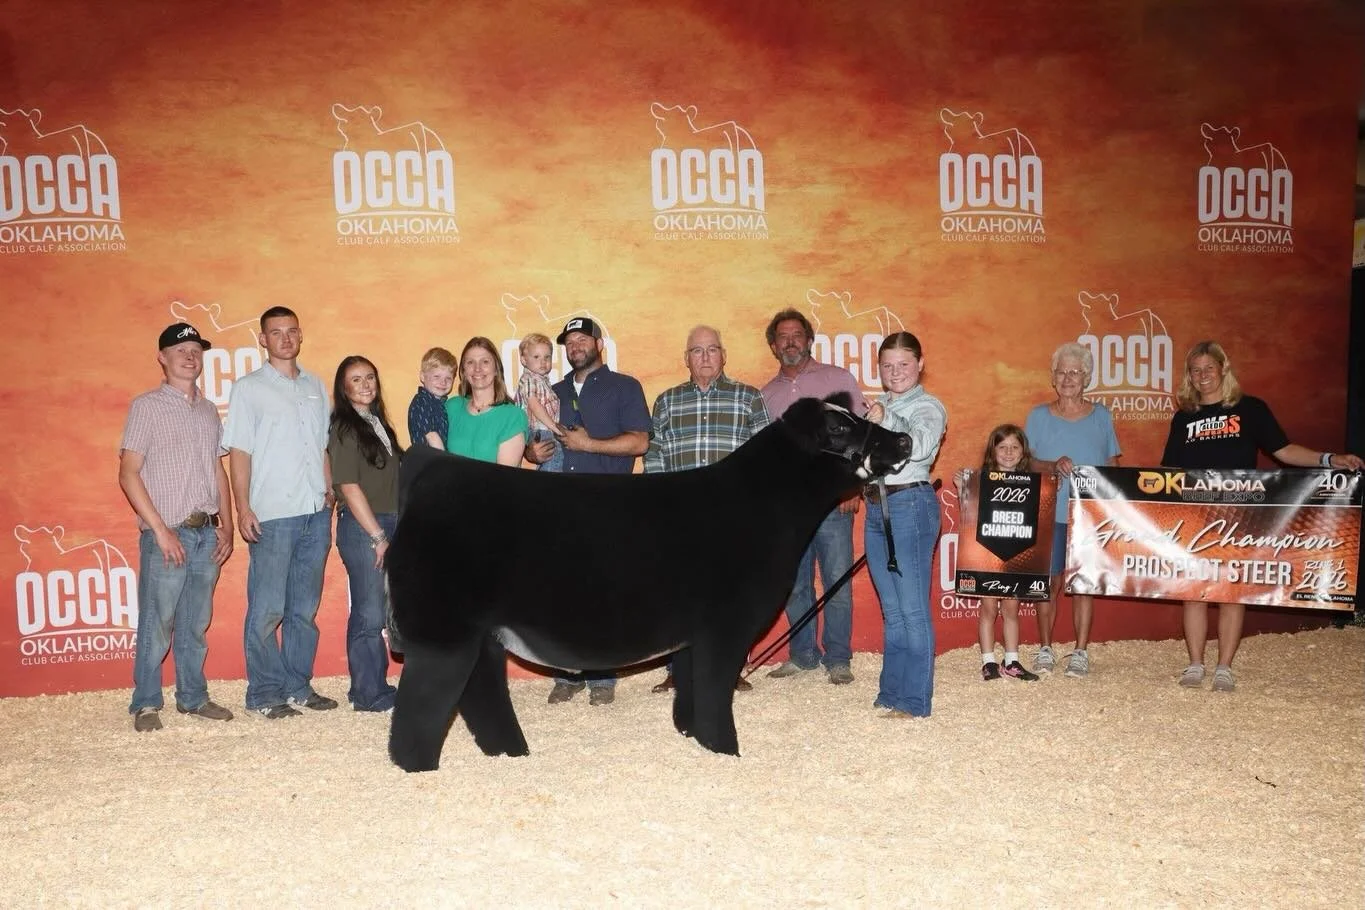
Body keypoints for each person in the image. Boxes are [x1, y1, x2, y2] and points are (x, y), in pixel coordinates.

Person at [1162, 340, 1363, 692]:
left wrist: (1330, 459)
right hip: (1196, 515)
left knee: (1232, 589)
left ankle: (1224, 667)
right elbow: (1170, 470)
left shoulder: (1251, 409)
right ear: (1188, 377)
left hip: (1242, 514)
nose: (1203, 375)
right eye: (1195, 370)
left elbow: (1284, 451)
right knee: (1192, 590)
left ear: (1224, 369)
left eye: (1209, 368)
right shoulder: (1184, 418)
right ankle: (1194, 663)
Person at [118, 322, 236, 732]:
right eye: (180, 349)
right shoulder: (146, 406)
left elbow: (217, 471)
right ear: (162, 357)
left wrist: (228, 524)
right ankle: (146, 702)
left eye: (195, 349)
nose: (189, 355)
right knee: (157, 621)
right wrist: (160, 531)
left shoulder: (207, 410)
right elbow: (129, 473)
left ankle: (192, 697)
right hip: (166, 530)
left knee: (194, 621)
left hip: (206, 531)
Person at [526, 316, 650, 705]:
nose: (575, 345)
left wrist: (589, 445)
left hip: (608, 505)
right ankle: (566, 673)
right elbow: (533, 434)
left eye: (583, 338)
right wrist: (531, 452)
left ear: (600, 344)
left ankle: (600, 675)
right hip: (560, 506)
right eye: (570, 341)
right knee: (559, 593)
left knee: (602, 593)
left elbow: (639, 443)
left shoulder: (625, 386)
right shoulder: (552, 388)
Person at [222, 306, 337, 719]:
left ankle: (298, 686)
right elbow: (239, 451)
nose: (285, 338)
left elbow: (322, 445)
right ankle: (264, 693)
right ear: (262, 340)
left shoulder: (316, 385)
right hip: (272, 512)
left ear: (300, 335)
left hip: (314, 510)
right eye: (275, 332)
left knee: (303, 609)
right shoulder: (248, 389)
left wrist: (328, 492)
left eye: (291, 331)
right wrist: (242, 507)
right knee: (268, 607)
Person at [644, 325, 771, 694]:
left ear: (723, 355)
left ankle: (730, 669)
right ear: (686, 358)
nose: (704, 357)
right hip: (680, 516)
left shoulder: (749, 398)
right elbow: (655, 453)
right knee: (677, 594)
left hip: (732, 515)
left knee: (732, 595)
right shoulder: (666, 401)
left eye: (711, 349)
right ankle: (678, 669)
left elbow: (765, 457)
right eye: (696, 351)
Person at [760, 308, 865, 685]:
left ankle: (839, 658)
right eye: (783, 337)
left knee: (837, 581)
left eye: (797, 335)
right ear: (774, 346)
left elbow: (859, 438)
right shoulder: (765, 395)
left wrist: (853, 487)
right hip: (788, 509)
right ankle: (803, 655)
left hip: (833, 503)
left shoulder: (838, 379)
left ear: (809, 340)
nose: (791, 342)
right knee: (794, 584)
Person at [1025, 342, 1121, 678]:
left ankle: (1080, 651)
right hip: (1048, 513)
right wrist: (1052, 465)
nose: (1068, 378)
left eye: (1075, 372)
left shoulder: (1102, 417)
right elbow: (1027, 461)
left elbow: (1112, 465)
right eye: (1062, 372)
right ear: (1053, 378)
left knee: (1084, 584)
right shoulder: (1038, 416)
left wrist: (1112, 509)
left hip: (1089, 517)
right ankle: (1046, 648)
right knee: (1048, 583)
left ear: (1086, 378)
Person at [864, 332, 947, 718]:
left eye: (903, 364)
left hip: (911, 503)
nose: (895, 372)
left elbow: (922, 446)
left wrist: (887, 418)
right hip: (877, 506)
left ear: (920, 364)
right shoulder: (876, 406)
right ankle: (891, 692)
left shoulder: (929, 406)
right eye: (887, 365)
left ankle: (915, 702)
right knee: (892, 610)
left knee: (912, 609)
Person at [328, 355, 404, 712]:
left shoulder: (377, 424)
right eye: (356, 379)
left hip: (387, 522)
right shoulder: (344, 427)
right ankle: (366, 693)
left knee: (379, 611)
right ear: (344, 389)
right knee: (369, 613)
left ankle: (375, 686)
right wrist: (377, 536)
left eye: (370, 377)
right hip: (364, 528)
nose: (365, 384)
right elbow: (347, 484)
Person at [953, 424, 1040, 682]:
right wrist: (962, 489)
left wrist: (1048, 493)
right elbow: (967, 516)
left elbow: (1040, 520)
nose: (1009, 452)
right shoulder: (979, 480)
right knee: (988, 609)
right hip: (986, 555)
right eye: (1003, 447)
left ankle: (1012, 660)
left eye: (1015, 447)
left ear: (1023, 452)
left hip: (1016, 555)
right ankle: (988, 662)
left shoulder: (1034, 485)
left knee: (1011, 609)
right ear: (993, 451)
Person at [446, 337, 528, 466]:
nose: (477, 368)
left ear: (496, 369)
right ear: (463, 371)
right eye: (470, 362)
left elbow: (504, 479)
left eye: (485, 362)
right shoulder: (451, 407)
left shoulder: (513, 417)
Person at [514, 333, 564, 472]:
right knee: (555, 456)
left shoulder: (542, 380)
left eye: (547, 357)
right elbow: (534, 405)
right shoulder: (530, 379)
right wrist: (554, 427)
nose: (543, 362)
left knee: (552, 459)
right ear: (524, 360)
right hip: (541, 429)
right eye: (536, 357)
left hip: (543, 429)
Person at [407, 346, 456, 450]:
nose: (443, 382)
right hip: (428, 459)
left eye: (448, 378)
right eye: (436, 377)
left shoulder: (439, 404)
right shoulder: (422, 401)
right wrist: (444, 461)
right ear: (423, 377)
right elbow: (431, 436)